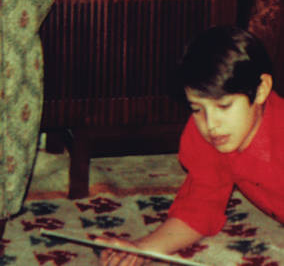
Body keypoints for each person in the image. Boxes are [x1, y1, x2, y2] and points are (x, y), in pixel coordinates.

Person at [99, 25, 284, 265]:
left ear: (261, 90)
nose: (211, 124)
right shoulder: (210, 135)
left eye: (224, 106)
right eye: (197, 109)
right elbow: (199, 208)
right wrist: (142, 249)